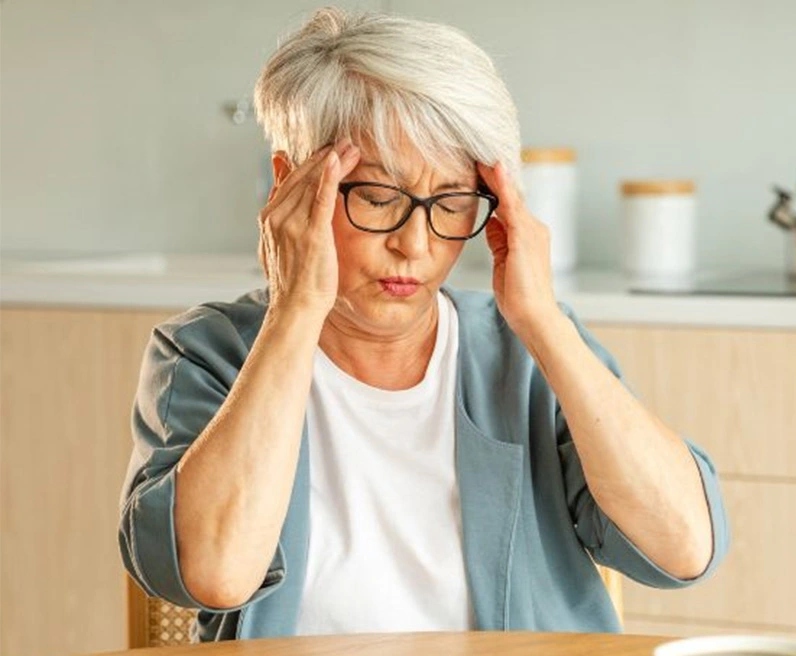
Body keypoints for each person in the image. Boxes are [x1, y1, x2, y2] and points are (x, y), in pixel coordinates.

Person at [118, 7, 729, 642]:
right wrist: (295, 310)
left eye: (452, 203)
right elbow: (215, 573)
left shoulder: (523, 352)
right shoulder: (207, 353)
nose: (415, 244)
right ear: (290, 185)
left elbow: (683, 550)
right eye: (379, 198)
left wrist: (543, 320)